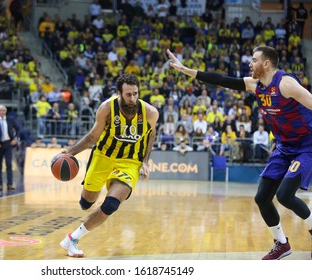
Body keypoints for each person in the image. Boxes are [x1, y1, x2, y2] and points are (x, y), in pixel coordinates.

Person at [167, 46, 312, 260]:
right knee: (262, 197)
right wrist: (187, 70)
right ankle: (282, 243)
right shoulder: (255, 85)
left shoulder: (286, 84)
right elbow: (221, 79)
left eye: (253, 60)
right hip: (283, 146)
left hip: (306, 146)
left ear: (266, 63)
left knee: (284, 195)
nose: (249, 64)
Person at [58, 74, 159, 257]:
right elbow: (91, 137)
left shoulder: (150, 112)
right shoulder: (107, 108)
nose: (132, 99)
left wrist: (145, 161)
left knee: (111, 204)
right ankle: (92, 199)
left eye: (135, 94)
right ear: (119, 93)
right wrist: (69, 153)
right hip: (103, 156)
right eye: (128, 95)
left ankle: (71, 239)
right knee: (85, 204)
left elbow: (151, 135)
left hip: (130, 162)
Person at [0, 105, 21, 191]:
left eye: (4, 110)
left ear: (5, 111)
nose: (2, 112)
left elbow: (18, 129)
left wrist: (15, 138)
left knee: (9, 164)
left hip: (8, 143)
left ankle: (10, 184)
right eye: (0, 111)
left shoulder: (10, 119)